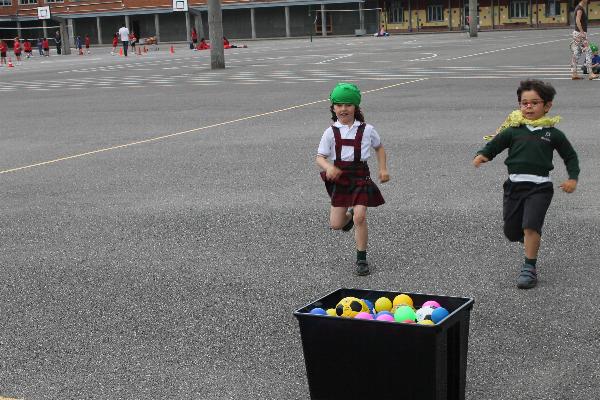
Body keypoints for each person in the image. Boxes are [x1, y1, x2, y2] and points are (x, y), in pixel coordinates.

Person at [473, 80, 580, 289]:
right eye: (524, 103)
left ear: (547, 106)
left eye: (534, 103)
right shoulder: (513, 131)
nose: (529, 107)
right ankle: (529, 237)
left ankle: (529, 267)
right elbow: (495, 145)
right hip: (514, 186)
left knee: (531, 225)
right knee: (511, 232)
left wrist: (572, 178)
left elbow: (570, 156)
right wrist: (483, 155)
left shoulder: (553, 134)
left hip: (540, 188)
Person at [316, 83, 390, 276]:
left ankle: (361, 259)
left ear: (355, 107)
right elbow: (320, 157)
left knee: (360, 217)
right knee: (336, 224)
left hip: (360, 177)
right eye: (339, 105)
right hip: (340, 178)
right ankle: (348, 218)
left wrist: (383, 169)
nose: (343, 109)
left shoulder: (367, 130)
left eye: (348, 105)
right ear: (333, 107)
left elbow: (379, 148)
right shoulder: (330, 132)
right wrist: (329, 167)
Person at [570, 0, 598, 80]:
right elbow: (577, 20)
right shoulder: (580, 8)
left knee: (577, 53)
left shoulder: (578, 7)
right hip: (580, 34)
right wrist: (582, 32)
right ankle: (590, 73)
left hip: (577, 33)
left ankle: (574, 73)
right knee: (589, 51)